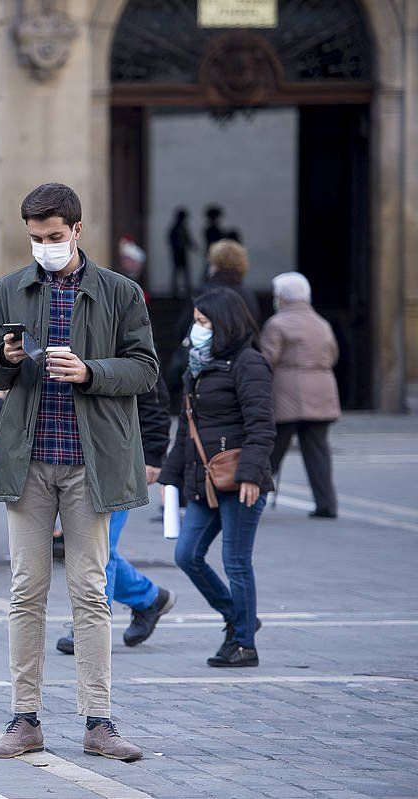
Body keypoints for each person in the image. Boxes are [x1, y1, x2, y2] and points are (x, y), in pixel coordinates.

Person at [0, 183, 158, 763]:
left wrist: (89, 371)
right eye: (35, 239)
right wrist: (3, 360)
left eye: (54, 237)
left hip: (91, 462)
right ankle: (24, 718)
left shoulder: (119, 292)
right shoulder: (10, 289)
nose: (45, 247)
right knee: (25, 590)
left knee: (91, 591)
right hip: (28, 461)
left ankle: (98, 721)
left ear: (78, 230)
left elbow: (146, 370)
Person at [160, 288, 275, 668]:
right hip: (203, 480)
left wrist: (251, 475)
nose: (197, 329)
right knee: (187, 554)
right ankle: (239, 616)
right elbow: (186, 428)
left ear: (224, 324)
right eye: (196, 321)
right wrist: (171, 480)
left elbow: (262, 425)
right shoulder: (197, 365)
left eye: (204, 322)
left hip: (241, 480)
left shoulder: (249, 363)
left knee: (236, 561)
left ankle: (244, 643)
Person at [56, 378, 176, 655]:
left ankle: (90, 627)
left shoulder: (126, 334)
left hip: (118, 457)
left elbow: (152, 392)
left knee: (99, 545)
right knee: (90, 545)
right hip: (72, 455)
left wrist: (154, 454)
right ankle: (149, 598)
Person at [262, 272, 340, 518]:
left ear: (282, 297)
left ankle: (252, 497)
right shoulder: (321, 323)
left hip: (288, 392)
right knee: (318, 450)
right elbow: (333, 354)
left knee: (271, 451)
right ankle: (326, 503)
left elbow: (267, 359)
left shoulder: (277, 324)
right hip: (322, 388)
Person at [168, 239, 260, 394]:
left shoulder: (203, 292)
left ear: (215, 264)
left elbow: (182, 328)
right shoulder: (248, 295)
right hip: (241, 368)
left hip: (206, 368)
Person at [167, 209, 196, 298]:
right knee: (180, 272)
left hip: (180, 252)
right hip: (178, 252)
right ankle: (178, 290)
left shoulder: (178, 228)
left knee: (181, 272)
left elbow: (187, 240)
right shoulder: (177, 229)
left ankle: (183, 290)